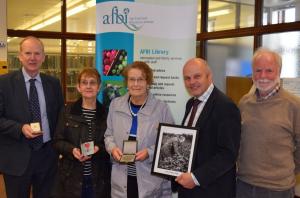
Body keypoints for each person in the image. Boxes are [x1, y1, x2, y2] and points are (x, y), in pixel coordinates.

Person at [0, 36, 64, 198]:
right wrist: (20, 128)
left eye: (37, 53)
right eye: (28, 53)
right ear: (20, 56)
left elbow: (60, 117)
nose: (32, 58)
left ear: (43, 57)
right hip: (16, 158)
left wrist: (61, 148)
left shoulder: (53, 83)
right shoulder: (4, 83)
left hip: (47, 157)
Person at [236, 48, 300, 198]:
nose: (263, 76)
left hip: (278, 190)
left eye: (269, 70)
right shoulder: (244, 102)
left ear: (279, 72)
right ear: (252, 73)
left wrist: (286, 171)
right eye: (258, 70)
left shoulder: (294, 105)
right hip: (244, 185)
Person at [104, 61, 174, 198]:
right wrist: (112, 148)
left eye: (140, 79)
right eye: (132, 79)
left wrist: (149, 152)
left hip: (150, 182)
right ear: (126, 83)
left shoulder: (161, 108)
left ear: (148, 82)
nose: (136, 84)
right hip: (121, 180)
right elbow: (108, 135)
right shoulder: (115, 105)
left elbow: (170, 143)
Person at [175, 58, 241, 198]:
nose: (192, 82)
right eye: (187, 78)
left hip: (212, 190)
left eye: (197, 76)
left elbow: (228, 154)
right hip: (188, 189)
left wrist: (196, 178)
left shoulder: (225, 106)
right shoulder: (191, 104)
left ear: (209, 76)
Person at [53, 68, 111, 198]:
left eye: (93, 82)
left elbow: (110, 142)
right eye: (84, 82)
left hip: (98, 178)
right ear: (79, 87)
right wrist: (72, 150)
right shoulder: (67, 111)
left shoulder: (107, 114)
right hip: (71, 177)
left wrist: (98, 148)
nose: (88, 86)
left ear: (99, 87)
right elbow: (57, 141)